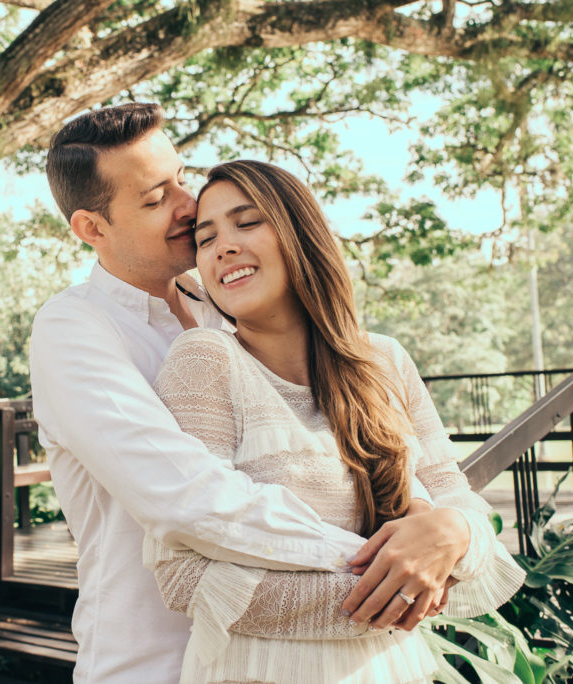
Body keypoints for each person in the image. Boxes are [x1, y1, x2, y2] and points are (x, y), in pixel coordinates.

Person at [30, 103, 471, 683]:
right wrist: (389, 564)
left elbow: (402, 471)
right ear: (92, 228)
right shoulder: (74, 330)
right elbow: (188, 498)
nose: (189, 207)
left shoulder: (227, 300)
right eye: (155, 198)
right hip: (150, 662)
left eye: (181, 179)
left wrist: (448, 530)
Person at [142, 160, 525, 683]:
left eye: (247, 222)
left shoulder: (385, 361)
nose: (222, 247)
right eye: (205, 239)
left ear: (301, 233)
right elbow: (181, 572)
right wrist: (394, 592)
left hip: (393, 671)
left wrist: (452, 530)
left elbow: (456, 497)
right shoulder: (205, 359)